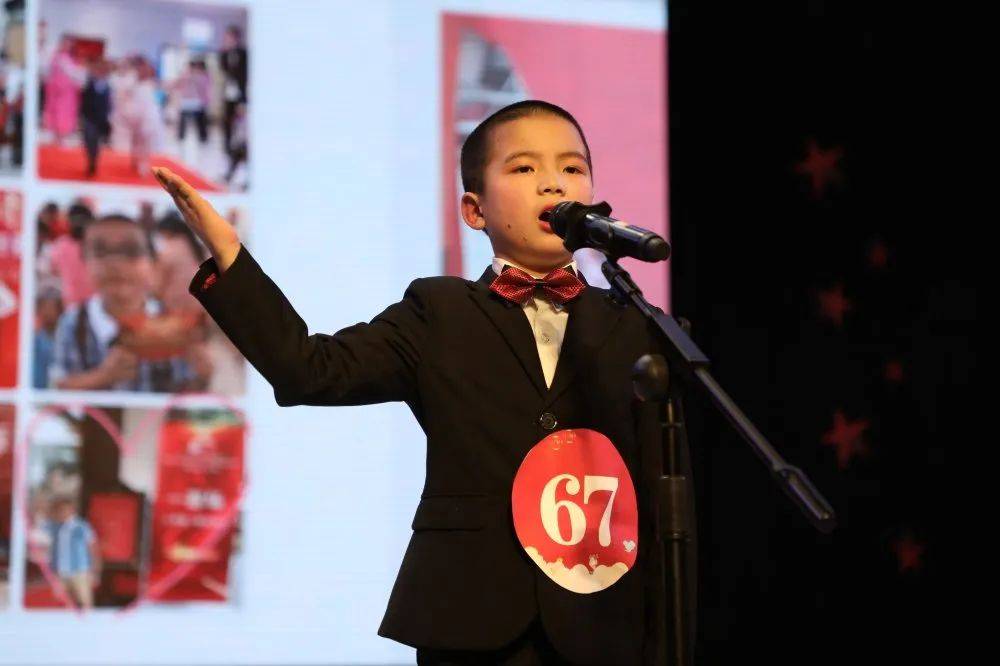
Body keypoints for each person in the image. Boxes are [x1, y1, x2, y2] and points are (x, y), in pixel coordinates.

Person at [154, 100, 697, 665]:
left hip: (604, 623)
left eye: (572, 168)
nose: (553, 184)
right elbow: (308, 369)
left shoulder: (635, 326)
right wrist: (231, 255)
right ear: (474, 209)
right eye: (524, 169)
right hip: (475, 617)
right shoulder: (439, 311)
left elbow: (664, 496)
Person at [48, 213, 210, 392]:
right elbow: (58, 386)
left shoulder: (171, 323)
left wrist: (202, 375)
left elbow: (185, 391)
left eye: (131, 252)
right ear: (85, 262)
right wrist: (103, 376)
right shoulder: (72, 323)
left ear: (153, 263)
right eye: (101, 252)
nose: (115, 263)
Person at [44, 496, 101, 610]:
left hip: (79, 571)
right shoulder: (54, 526)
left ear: (72, 510)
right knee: (61, 602)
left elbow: (93, 548)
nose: (62, 513)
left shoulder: (82, 527)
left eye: (64, 509)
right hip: (60, 571)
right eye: (59, 510)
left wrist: (95, 571)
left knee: (85, 602)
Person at [79, 59, 112, 177]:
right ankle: (90, 159)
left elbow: (108, 104)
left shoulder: (107, 86)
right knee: (88, 140)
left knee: (96, 143)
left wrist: (107, 117)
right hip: (88, 117)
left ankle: (93, 162)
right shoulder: (88, 83)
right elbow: (83, 100)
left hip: (100, 119)